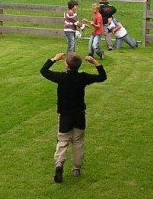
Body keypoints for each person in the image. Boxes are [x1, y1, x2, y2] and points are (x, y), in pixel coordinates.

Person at [40, 52, 107, 183]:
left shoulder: (61, 77)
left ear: (66, 64)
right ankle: (76, 168)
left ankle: (59, 164)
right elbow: (102, 77)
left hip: (65, 115)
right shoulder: (83, 77)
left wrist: (54, 59)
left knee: (63, 140)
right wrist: (94, 62)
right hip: (79, 115)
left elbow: (43, 71)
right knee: (78, 141)